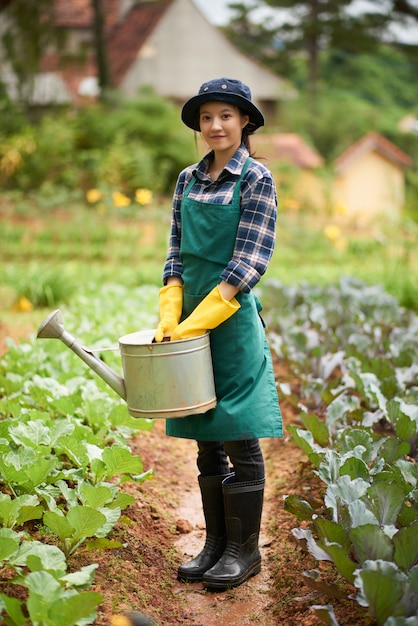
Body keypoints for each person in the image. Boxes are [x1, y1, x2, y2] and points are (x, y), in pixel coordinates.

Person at [154, 77, 283, 590]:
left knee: (237, 429)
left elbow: (251, 260)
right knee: (204, 434)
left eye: (226, 116)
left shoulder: (256, 178)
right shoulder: (187, 179)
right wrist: (170, 311)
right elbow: (175, 251)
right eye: (207, 118)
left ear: (245, 120)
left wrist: (200, 318)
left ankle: (243, 551)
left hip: (229, 318)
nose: (215, 126)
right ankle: (214, 544)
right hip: (188, 316)